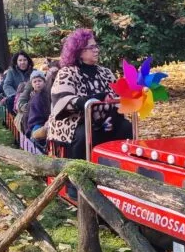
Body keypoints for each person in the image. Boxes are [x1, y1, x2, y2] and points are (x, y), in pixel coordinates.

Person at [48, 28, 132, 161]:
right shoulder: (67, 73)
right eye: (91, 47)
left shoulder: (106, 72)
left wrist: (112, 116)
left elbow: (116, 97)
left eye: (96, 46)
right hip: (75, 122)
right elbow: (63, 101)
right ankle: (77, 175)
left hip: (105, 120)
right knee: (86, 135)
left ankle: (123, 169)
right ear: (79, 51)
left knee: (126, 127)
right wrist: (96, 98)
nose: (96, 50)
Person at [27, 70, 50, 144]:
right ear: (32, 84)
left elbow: (48, 109)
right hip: (36, 124)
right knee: (37, 133)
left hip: (46, 121)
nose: (37, 83)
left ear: (44, 82)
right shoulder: (33, 96)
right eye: (35, 82)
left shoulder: (47, 94)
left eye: (39, 81)